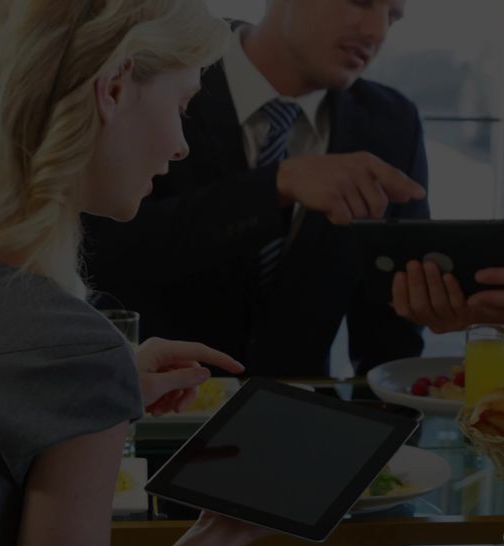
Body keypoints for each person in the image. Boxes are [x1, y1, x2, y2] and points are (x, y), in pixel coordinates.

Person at [0, 1, 274, 546]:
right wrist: (223, 532)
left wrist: (103, 388)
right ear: (115, 87)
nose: (180, 145)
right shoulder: (71, 351)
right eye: (182, 103)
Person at [82, 0, 428, 380]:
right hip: (150, 412)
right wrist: (273, 187)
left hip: (302, 421)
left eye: (392, 17)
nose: (377, 32)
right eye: (361, 2)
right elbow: (98, 252)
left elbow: (390, 336)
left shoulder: (392, 124)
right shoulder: (162, 77)